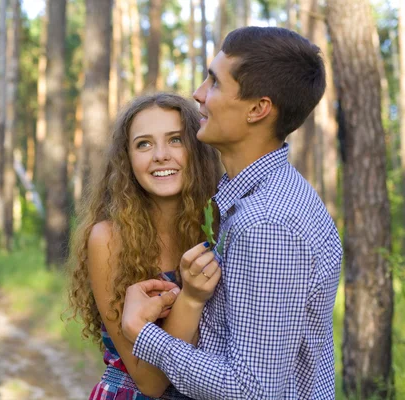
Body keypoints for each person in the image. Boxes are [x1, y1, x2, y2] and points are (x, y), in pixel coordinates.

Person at [121, 26, 342, 399]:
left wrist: (144, 335)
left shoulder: (268, 224)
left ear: (258, 110)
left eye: (215, 83)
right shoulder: (262, 197)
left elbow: (249, 390)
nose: (198, 94)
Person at [67, 92, 223, 399]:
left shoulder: (218, 229)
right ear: (127, 160)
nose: (160, 155)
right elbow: (150, 382)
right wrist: (190, 297)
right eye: (144, 144)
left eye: (175, 139)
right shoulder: (108, 238)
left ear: (197, 149)